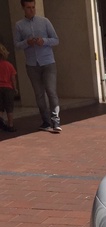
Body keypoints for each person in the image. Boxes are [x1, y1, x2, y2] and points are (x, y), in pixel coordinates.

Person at [13, 0, 62, 133]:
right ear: (23, 8)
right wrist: (27, 42)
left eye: (33, 7)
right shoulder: (19, 25)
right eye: (28, 7)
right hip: (32, 64)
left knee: (51, 91)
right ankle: (45, 121)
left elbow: (56, 40)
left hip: (48, 62)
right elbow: (16, 45)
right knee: (39, 94)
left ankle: (55, 120)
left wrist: (44, 41)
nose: (31, 10)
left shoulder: (45, 21)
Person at [0, 43, 19, 132]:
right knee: (9, 108)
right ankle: (10, 125)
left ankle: (0, 122)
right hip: (8, 88)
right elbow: (13, 78)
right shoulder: (9, 65)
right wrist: (15, 88)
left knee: (0, 107)